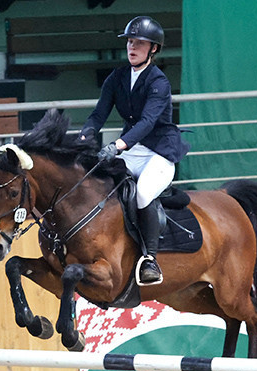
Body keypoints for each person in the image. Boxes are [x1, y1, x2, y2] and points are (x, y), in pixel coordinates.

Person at [80, 15, 189, 286]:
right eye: (130, 41)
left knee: (141, 194)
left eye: (140, 43)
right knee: (100, 184)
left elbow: (148, 122)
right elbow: (98, 114)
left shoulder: (158, 82)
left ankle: (150, 259)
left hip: (159, 153)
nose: (132, 47)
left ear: (153, 49)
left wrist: (117, 145)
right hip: (133, 149)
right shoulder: (117, 77)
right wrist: (85, 136)